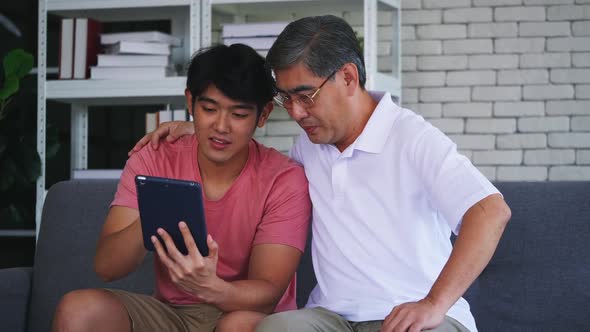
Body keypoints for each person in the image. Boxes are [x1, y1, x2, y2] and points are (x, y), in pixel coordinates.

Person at [130, 15, 511, 332]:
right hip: (331, 318)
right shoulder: (309, 146)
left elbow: (490, 212)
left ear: (347, 77)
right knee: (273, 329)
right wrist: (196, 128)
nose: (295, 113)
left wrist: (433, 303)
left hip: (411, 315)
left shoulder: (411, 137)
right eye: (285, 98)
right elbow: (258, 166)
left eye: (305, 96)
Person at [52, 44, 311, 332]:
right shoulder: (154, 155)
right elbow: (108, 268)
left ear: (262, 116)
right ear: (191, 103)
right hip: (171, 312)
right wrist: (156, 213)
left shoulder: (283, 178)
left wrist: (211, 288)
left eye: (238, 115)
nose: (221, 127)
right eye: (209, 109)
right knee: (78, 310)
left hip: (244, 312)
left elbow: (268, 292)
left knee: (238, 325)